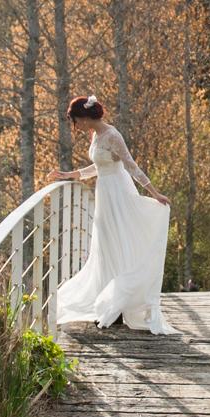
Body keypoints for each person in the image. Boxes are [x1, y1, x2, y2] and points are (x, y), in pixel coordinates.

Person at [47, 95, 181, 335]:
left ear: (84, 117)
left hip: (119, 194)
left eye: (75, 121)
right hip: (104, 196)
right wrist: (68, 174)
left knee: (119, 244)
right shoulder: (96, 136)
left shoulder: (113, 135)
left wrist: (154, 192)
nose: (76, 126)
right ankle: (109, 303)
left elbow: (131, 166)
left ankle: (119, 305)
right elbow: (97, 168)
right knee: (105, 247)